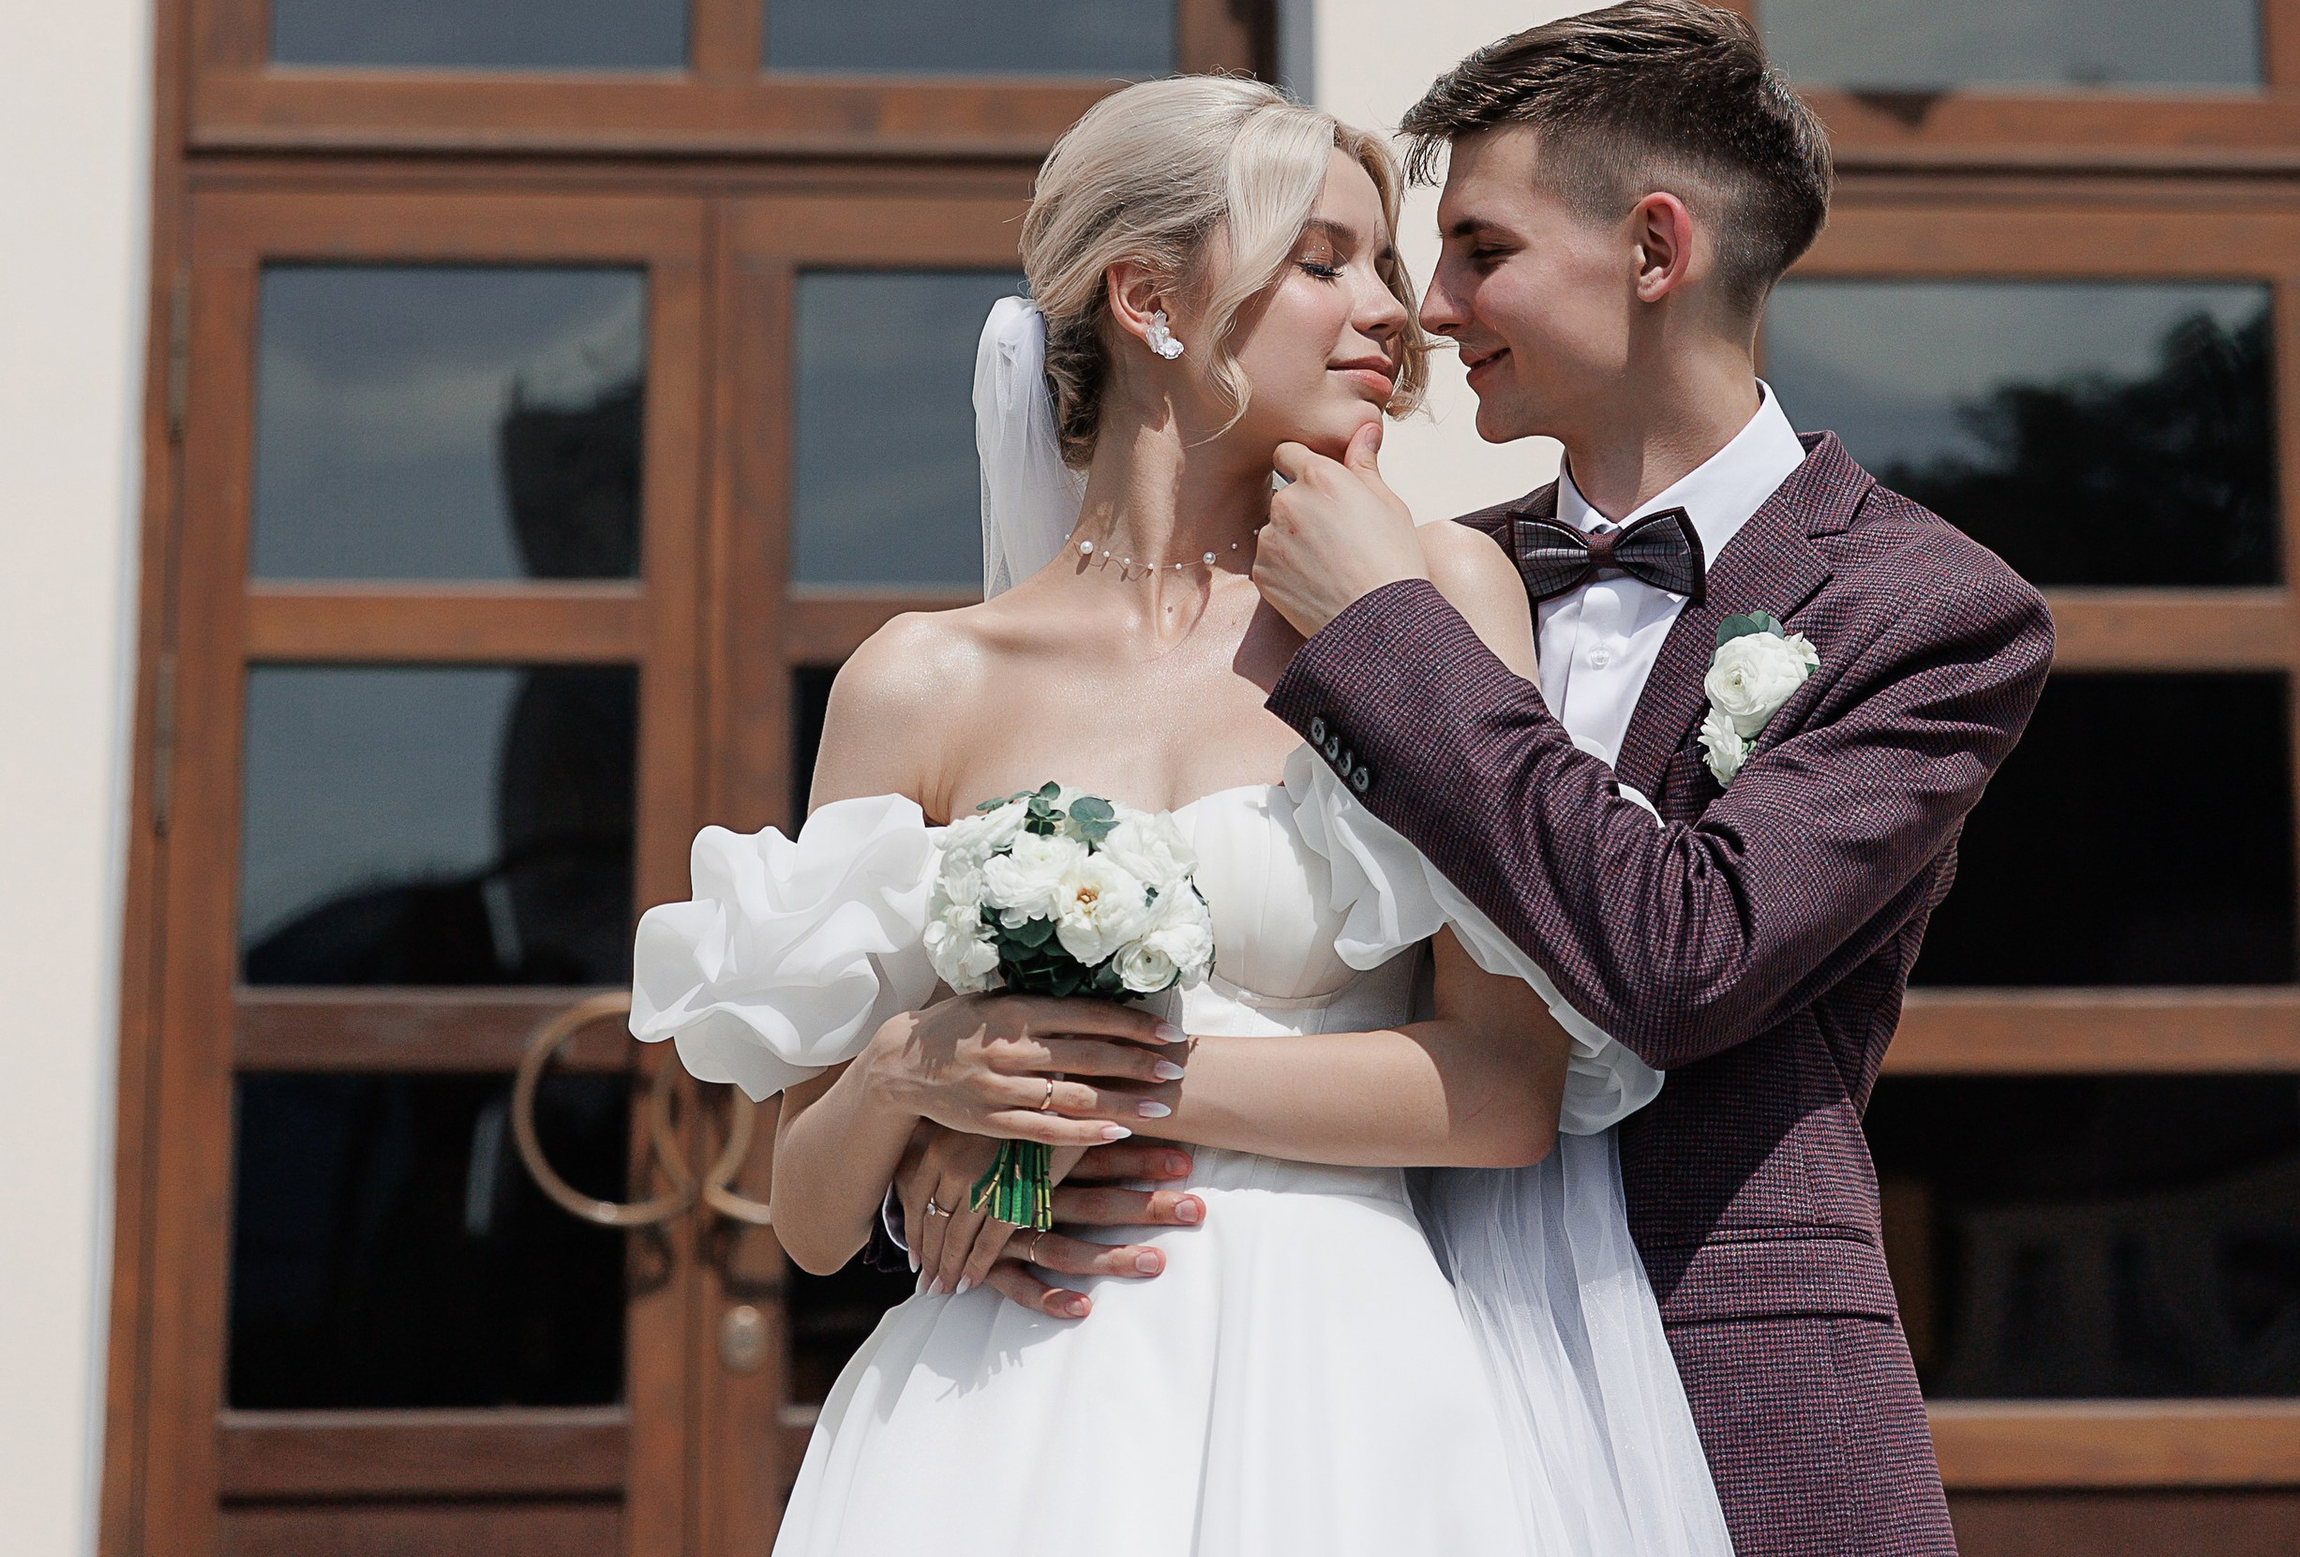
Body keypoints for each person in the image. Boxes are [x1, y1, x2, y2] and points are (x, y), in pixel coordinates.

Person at [631, 75, 1729, 1557]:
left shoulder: (1429, 604)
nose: (1397, 311)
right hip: (998, 1415)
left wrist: (1072, 1086)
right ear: (1149, 299)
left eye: (1389, 266)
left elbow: (1499, 1093)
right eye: (1326, 260)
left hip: (1334, 1385)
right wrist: (908, 1071)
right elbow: (809, 1213)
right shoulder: (922, 679)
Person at [1249, 0, 2056, 1557]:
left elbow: (1685, 961)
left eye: (1480, 249)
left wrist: (1397, 640)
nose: (1428, 307)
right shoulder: (1416, 579)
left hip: (1721, 1388)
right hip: (1381, 1365)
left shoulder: (1930, 611)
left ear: (1654, 249)